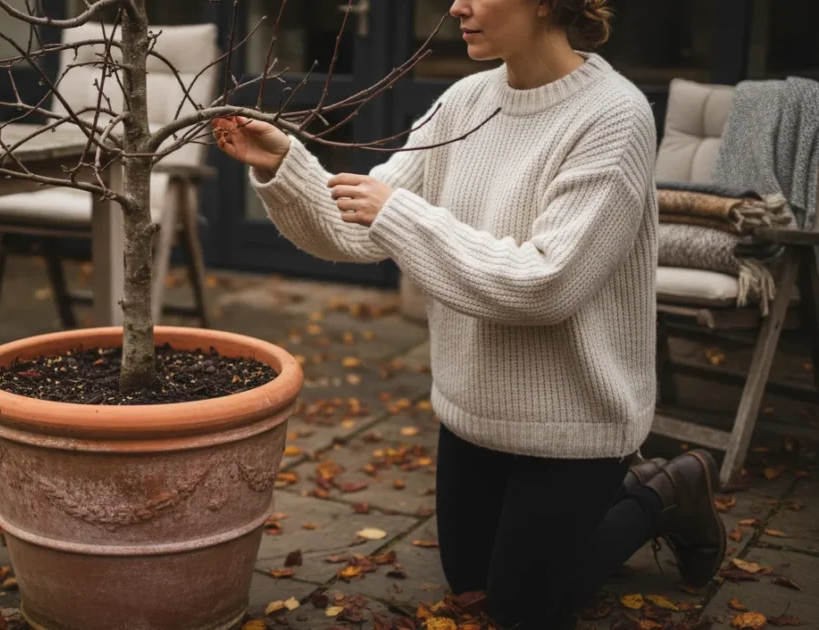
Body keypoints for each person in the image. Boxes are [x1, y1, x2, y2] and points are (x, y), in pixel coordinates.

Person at [212, 0, 727, 627]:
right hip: (475, 411)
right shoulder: (464, 100)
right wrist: (286, 166)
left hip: (573, 421)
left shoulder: (614, 116)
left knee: (519, 610)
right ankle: (585, 512)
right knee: (470, 583)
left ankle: (663, 494)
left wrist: (399, 214)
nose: (456, 4)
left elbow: (546, 284)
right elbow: (360, 232)